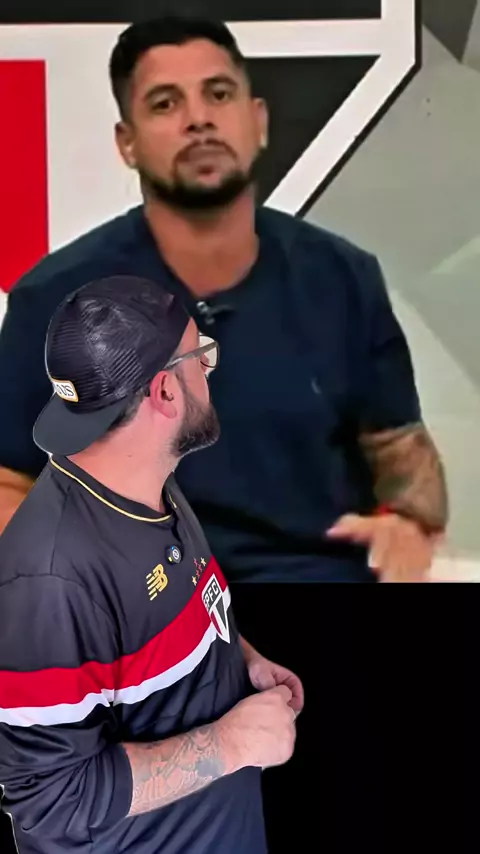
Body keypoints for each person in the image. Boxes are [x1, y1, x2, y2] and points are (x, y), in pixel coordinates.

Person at [0, 14, 448, 853]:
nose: (199, 117)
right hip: (134, 659)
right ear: (127, 141)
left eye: (217, 93)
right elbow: (11, 493)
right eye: (166, 102)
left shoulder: (342, 277)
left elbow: (403, 452)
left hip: (277, 627)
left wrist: (410, 523)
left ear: (258, 117)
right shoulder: (54, 300)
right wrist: (83, 608)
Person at [0, 275, 302, 854]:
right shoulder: (51, 581)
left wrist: (241, 661)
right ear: (165, 392)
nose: (209, 370)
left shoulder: (147, 478)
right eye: (200, 357)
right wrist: (231, 745)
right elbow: (51, 802)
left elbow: (168, 620)